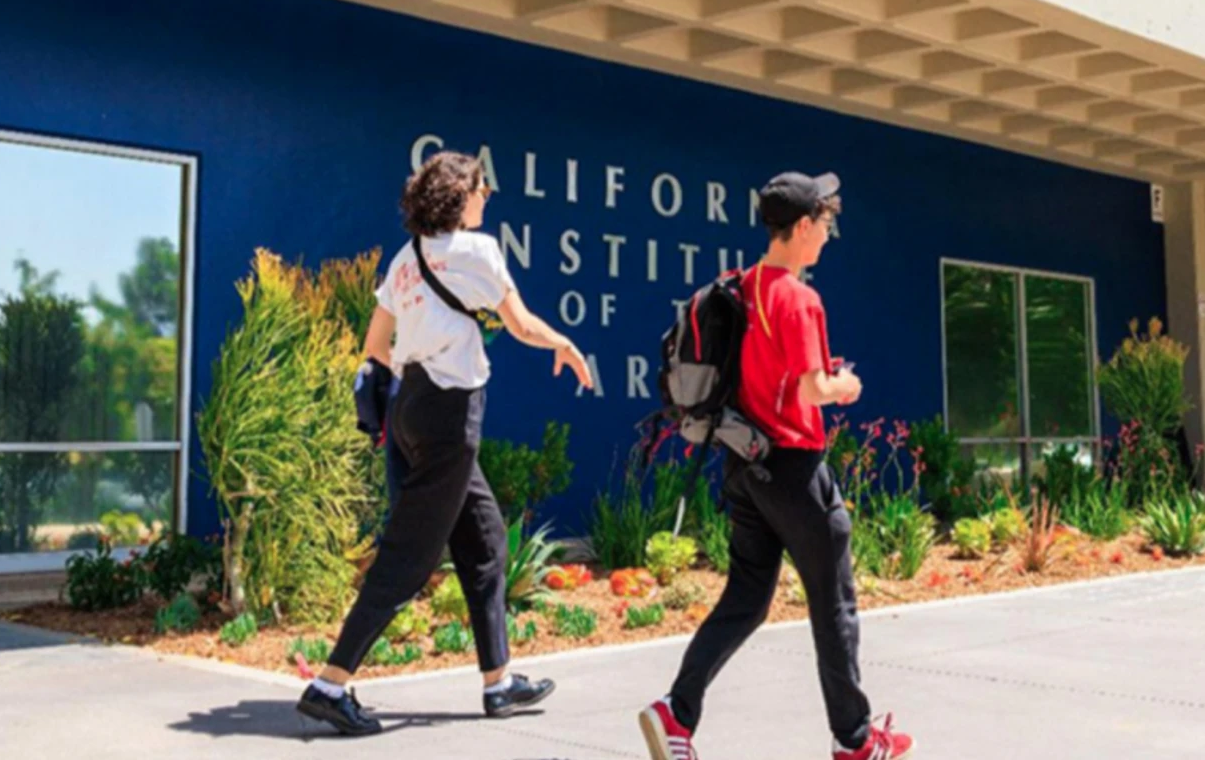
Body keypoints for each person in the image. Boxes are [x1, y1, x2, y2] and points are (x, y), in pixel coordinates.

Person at [295, 151, 595, 735]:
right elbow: (521, 323)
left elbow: (376, 344)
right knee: (408, 559)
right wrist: (564, 343)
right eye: (483, 189)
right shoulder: (476, 251)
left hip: (411, 408)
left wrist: (422, 358)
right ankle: (329, 684)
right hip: (450, 417)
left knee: (485, 544)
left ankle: (499, 683)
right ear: (460, 197)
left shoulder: (405, 259)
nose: (488, 198)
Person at [640, 172, 914, 760]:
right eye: (826, 224)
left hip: (745, 467)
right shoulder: (800, 297)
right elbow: (813, 391)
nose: (829, 236)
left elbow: (770, 376)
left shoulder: (742, 286)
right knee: (833, 601)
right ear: (804, 226)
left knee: (746, 599)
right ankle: (857, 741)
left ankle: (676, 712)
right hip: (793, 468)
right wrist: (844, 384)